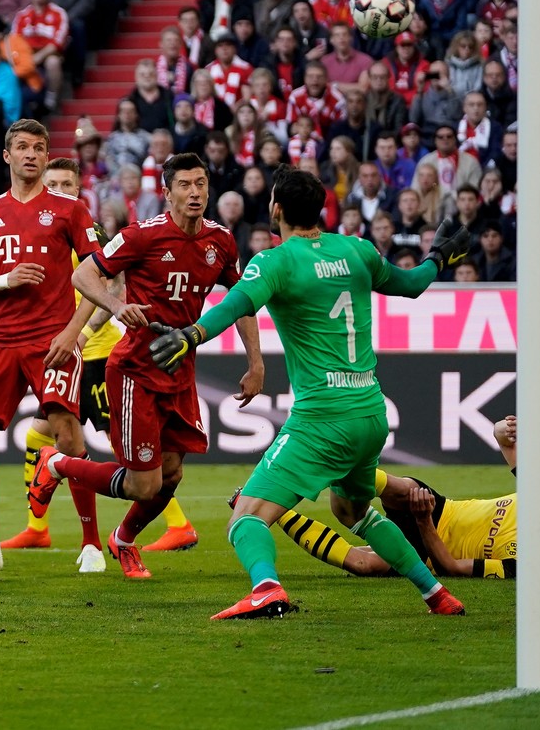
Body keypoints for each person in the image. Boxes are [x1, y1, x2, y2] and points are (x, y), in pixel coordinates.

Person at [147, 164, 471, 618]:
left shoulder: (276, 260)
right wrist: (439, 255)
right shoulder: (357, 250)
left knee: (246, 516)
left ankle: (265, 588)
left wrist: (191, 336)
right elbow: (414, 284)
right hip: (371, 414)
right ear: (320, 208)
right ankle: (435, 593)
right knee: (353, 510)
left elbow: (236, 303)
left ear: (276, 207)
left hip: (323, 419)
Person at [31, 154, 266, 579]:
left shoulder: (221, 241)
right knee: (145, 484)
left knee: (171, 475)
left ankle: (123, 541)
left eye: (201, 183)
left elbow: (242, 300)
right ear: (167, 192)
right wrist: (119, 307)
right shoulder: (142, 235)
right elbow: (84, 276)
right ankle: (56, 463)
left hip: (180, 371)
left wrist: (256, 362)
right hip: (136, 370)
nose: (194, 192)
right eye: (185, 185)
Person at [1, 158, 204, 554]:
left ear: (79, 189)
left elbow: (114, 282)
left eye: (66, 183)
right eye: (52, 182)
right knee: (37, 433)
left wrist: (84, 331)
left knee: (126, 448)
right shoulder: (38, 227)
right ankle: (36, 526)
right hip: (62, 353)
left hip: (94, 355)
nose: (58, 188)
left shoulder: (86, 230)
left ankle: (178, 523)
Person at [0, 121, 105, 576]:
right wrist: (5, 280)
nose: (31, 154)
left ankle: (91, 544)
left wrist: (73, 332)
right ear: (7, 156)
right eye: (22, 148)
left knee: (67, 432)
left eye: (38, 148)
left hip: (50, 338)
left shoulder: (70, 210)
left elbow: (98, 276)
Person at [266, 415, 540, 579]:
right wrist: (503, 431)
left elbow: (450, 567)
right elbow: (503, 440)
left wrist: (423, 522)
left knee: (364, 564)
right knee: (404, 489)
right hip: (440, 507)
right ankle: (320, 467)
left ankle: (277, 513)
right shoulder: (537, 493)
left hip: (430, 547)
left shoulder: (528, 565)